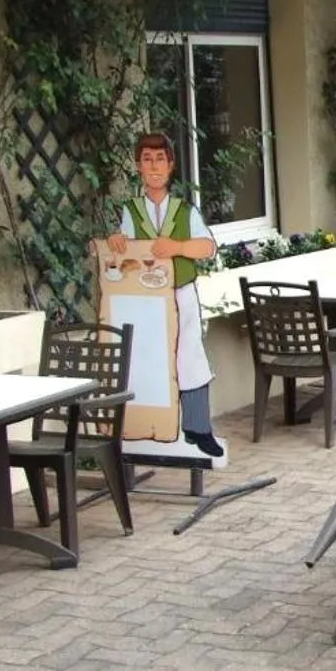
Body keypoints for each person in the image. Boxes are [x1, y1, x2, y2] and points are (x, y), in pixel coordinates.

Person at [107, 132, 223, 458]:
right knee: (148, 362)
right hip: (146, 301)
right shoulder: (131, 211)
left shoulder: (185, 212)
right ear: (138, 167)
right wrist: (118, 240)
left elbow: (207, 246)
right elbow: (125, 250)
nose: (154, 167)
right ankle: (149, 428)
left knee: (190, 359)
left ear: (170, 166)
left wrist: (179, 247)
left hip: (180, 295)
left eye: (160, 160)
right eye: (147, 160)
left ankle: (198, 429)